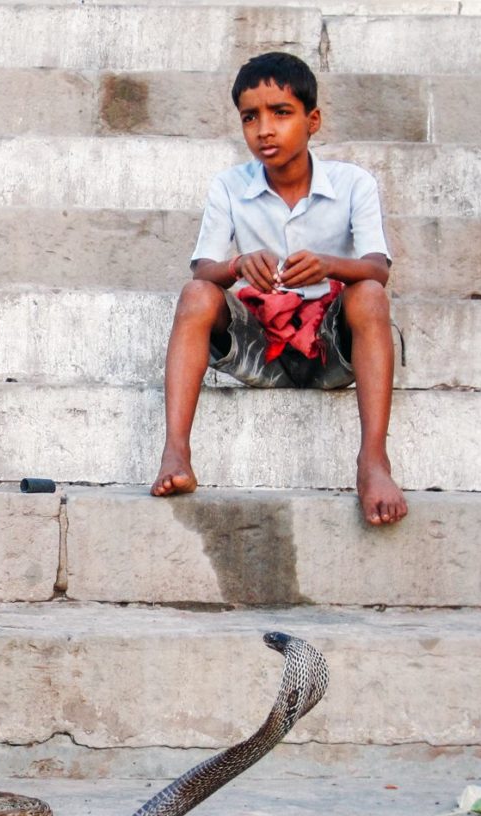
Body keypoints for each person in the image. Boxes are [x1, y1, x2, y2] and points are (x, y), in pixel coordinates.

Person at [150, 51, 408, 526]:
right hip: (261, 342)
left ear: (313, 121)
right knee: (195, 296)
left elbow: (378, 268)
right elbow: (203, 271)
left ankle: (373, 462)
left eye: (280, 113)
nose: (264, 129)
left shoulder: (354, 184)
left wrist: (330, 266)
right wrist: (239, 264)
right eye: (250, 117)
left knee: (369, 294)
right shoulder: (229, 186)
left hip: (331, 348)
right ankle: (176, 454)